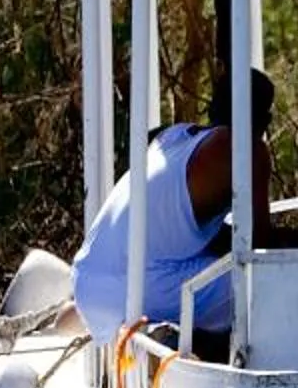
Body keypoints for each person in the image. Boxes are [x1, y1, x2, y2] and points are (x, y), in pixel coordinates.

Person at [71, 66, 275, 339]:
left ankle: (174, 335)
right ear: (265, 118)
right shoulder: (244, 149)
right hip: (135, 291)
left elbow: (176, 231)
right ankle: (198, 346)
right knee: (267, 278)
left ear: (212, 107)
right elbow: (258, 247)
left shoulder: (172, 137)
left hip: (88, 283)